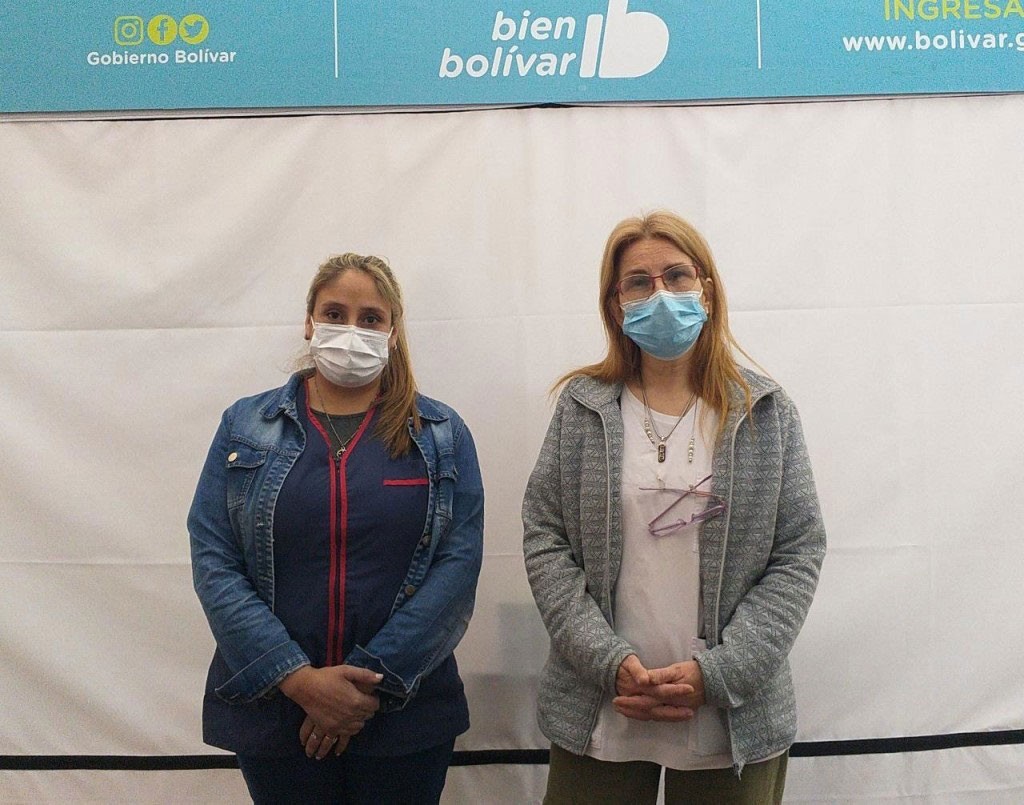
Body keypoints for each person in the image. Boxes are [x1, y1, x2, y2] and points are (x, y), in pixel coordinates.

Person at [522, 212, 826, 804]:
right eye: (638, 282)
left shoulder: (764, 411)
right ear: (616, 306)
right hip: (603, 706)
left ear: (705, 289)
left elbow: (798, 551)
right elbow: (544, 537)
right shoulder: (583, 410)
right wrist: (606, 661)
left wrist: (720, 673)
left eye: (676, 276)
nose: (660, 294)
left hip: (730, 715)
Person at [189, 253, 484, 804]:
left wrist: (362, 688)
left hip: (405, 713)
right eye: (335, 313)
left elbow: (458, 565)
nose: (351, 330)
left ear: (392, 332)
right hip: (277, 712)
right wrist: (300, 681)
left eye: (370, 318)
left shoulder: (441, 433)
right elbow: (214, 559)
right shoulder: (246, 426)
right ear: (309, 322)